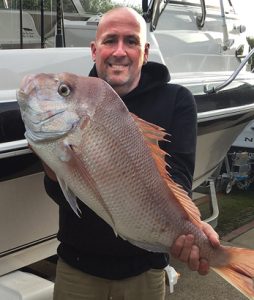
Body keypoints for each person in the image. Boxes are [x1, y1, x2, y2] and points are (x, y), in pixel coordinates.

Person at [43, 7, 220, 300]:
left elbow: (179, 182)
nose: (120, 51)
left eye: (132, 41)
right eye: (110, 40)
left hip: (145, 272)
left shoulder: (176, 100)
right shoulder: (71, 104)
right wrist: (56, 162)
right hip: (77, 268)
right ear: (94, 49)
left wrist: (192, 234)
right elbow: (63, 196)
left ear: (146, 51)